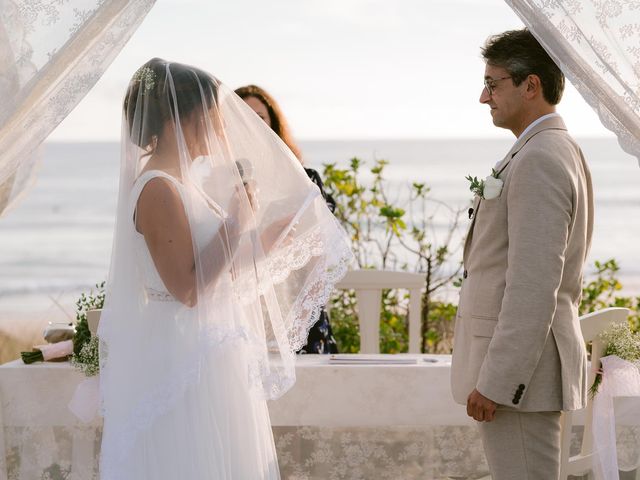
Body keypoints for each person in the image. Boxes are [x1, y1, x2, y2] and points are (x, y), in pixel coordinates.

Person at [98, 59, 352, 479]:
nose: (221, 124)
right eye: (212, 113)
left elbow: (218, 274)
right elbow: (187, 288)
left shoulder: (184, 182)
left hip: (210, 345)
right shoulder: (158, 188)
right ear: (185, 117)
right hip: (180, 353)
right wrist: (235, 223)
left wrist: (264, 237)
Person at [450, 29, 593, 479]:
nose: (482, 97)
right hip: (523, 378)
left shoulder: (541, 158)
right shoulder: (546, 149)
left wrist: (497, 382)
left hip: (521, 381)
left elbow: (534, 284)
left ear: (531, 85)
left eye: (493, 84)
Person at [235, 84, 339, 354]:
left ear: (273, 124)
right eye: (242, 118)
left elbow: (318, 252)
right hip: (240, 315)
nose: (252, 126)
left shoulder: (304, 180)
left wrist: (300, 318)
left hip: (297, 310)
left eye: (259, 118)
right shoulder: (220, 181)